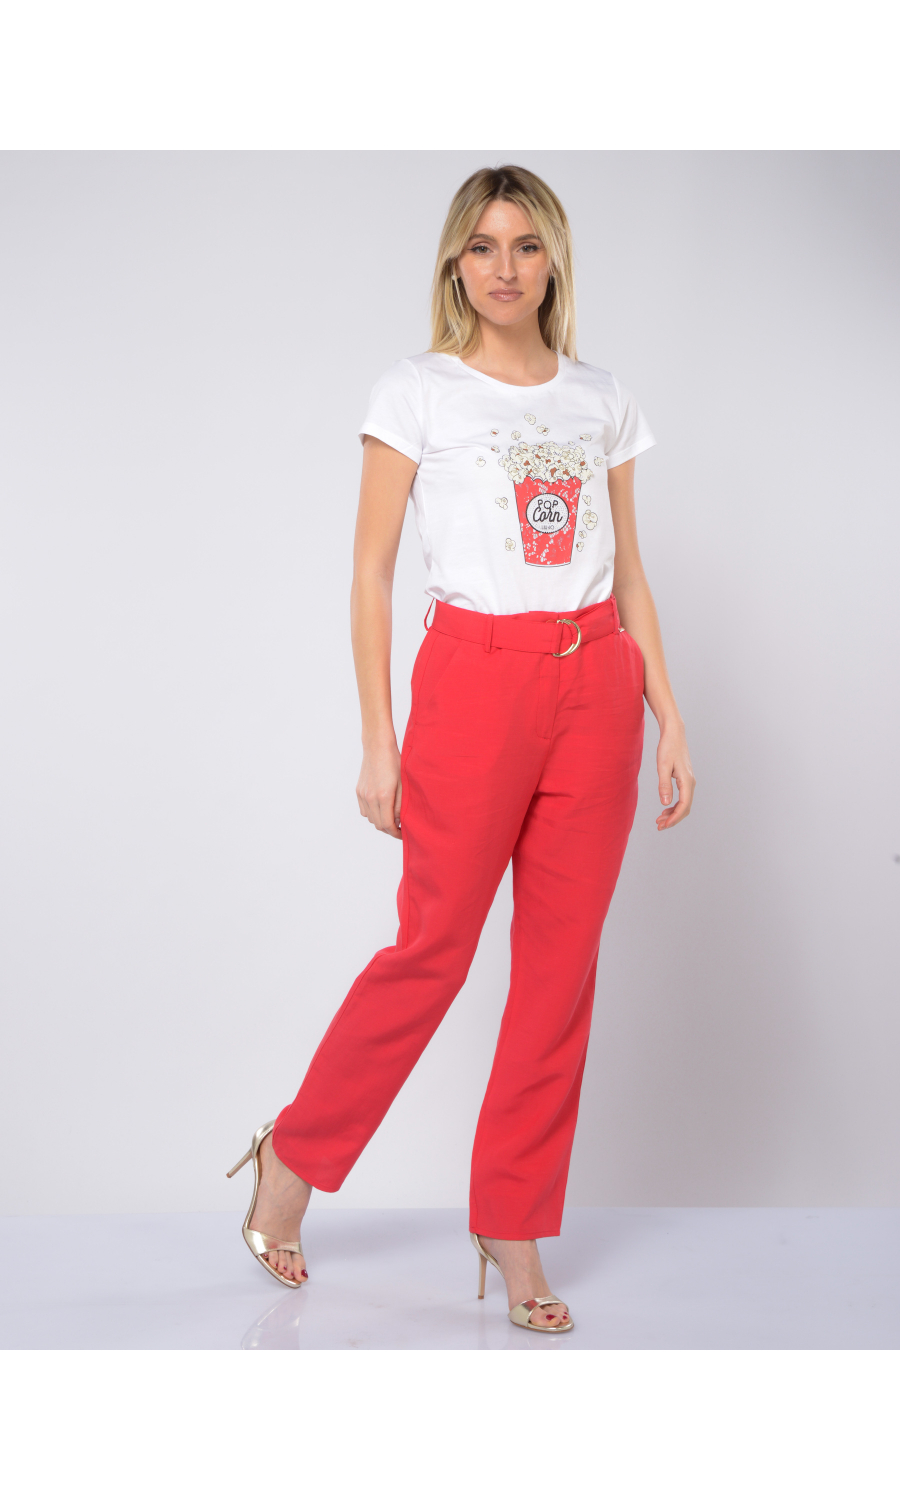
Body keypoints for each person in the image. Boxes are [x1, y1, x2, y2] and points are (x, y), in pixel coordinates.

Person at [227, 164, 695, 1333]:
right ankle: (293, 1157)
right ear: (454, 262)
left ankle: (512, 1220)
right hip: (474, 683)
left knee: (558, 972)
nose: (504, 267)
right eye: (482, 246)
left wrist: (669, 714)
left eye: (526, 246)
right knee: (432, 948)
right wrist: (378, 739)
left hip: (596, 684)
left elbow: (631, 572)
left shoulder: (601, 399)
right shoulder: (417, 393)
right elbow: (371, 570)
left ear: (554, 261)